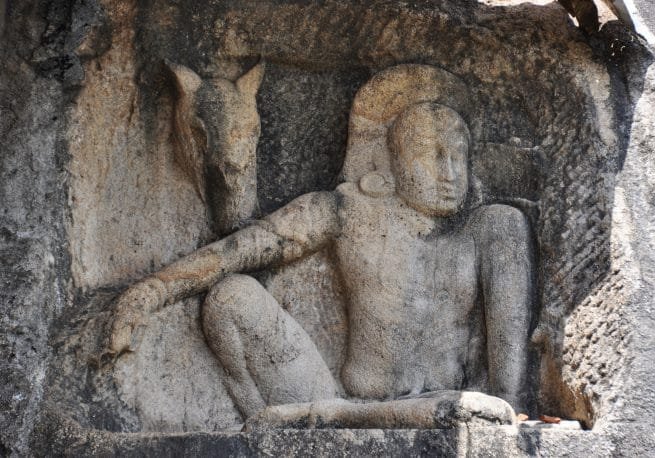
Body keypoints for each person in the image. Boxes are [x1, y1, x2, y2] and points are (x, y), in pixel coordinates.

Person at [108, 83, 533, 425]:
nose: (450, 173)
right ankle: (288, 421)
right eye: (430, 155)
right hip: (342, 399)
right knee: (232, 296)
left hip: (451, 406)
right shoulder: (347, 211)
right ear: (390, 161)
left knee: (471, 409)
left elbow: (503, 363)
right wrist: (148, 293)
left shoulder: (490, 227)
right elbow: (236, 252)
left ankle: (313, 420)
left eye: (459, 155)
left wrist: (508, 410)